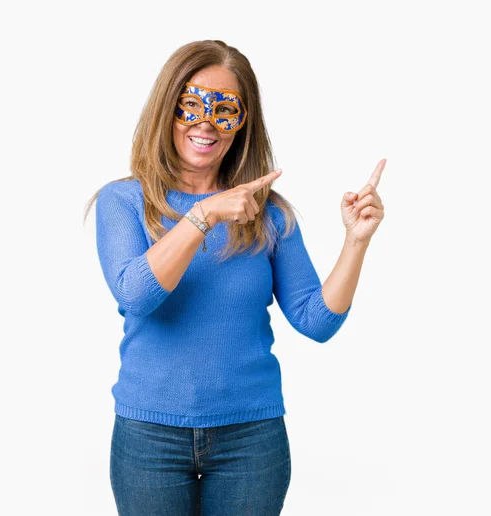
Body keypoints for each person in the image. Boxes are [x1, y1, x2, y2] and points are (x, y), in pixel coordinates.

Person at [85, 39, 386, 516]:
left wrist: (356, 241)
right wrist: (204, 214)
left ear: (243, 122)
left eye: (225, 110)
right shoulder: (123, 202)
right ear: (168, 107)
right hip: (149, 436)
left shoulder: (268, 214)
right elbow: (137, 294)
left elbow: (316, 321)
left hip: (251, 439)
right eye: (191, 104)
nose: (206, 123)